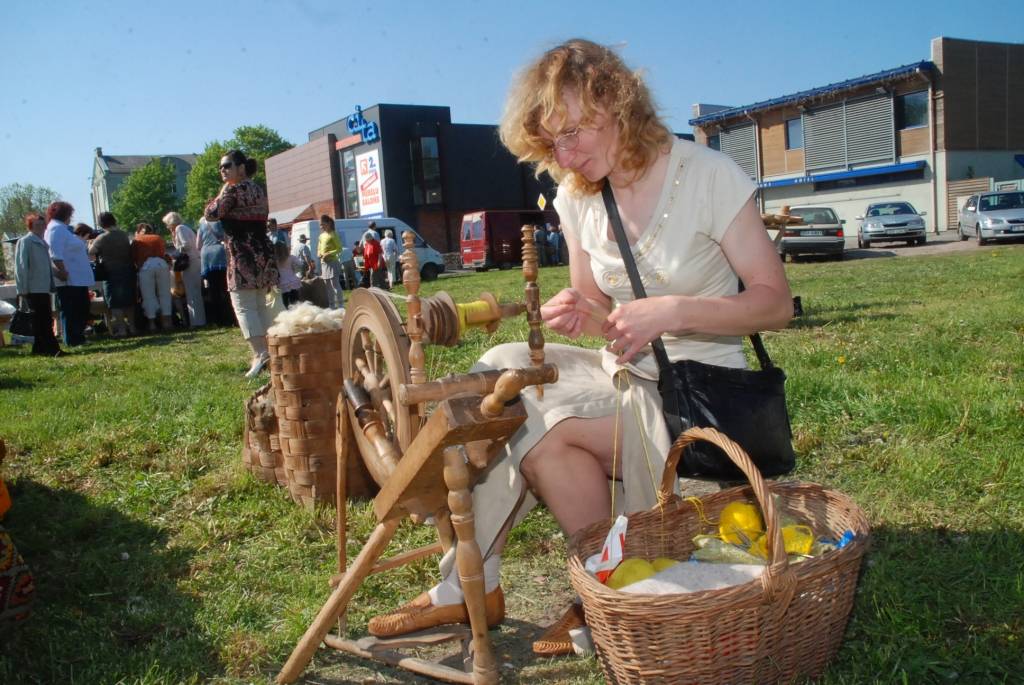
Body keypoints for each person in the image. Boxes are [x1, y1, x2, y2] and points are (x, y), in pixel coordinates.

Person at [367, 39, 794, 654]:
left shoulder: (706, 176)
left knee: (542, 428)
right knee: (501, 369)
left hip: (696, 391)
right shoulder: (576, 192)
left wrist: (673, 310)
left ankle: (597, 586)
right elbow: (598, 311)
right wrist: (586, 313)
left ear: (616, 103)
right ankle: (519, 582)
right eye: (551, 142)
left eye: (574, 133)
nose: (564, 155)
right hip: (619, 368)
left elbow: (774, 303)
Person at [205, 149, 281, 378]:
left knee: (244, 305)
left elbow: (211, 213)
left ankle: (260, 353)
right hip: (263, 254)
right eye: (221, 167)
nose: (222, 170)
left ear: (241, 167)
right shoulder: (258, 189)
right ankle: (271, 352)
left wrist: (222, 191)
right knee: (260, 303)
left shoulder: (232, 191)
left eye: (227, 165)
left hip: (242, 255)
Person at [43, 201, 93, 347]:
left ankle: (78, 336)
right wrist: (63, 272)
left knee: (81, 307)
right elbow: (55, 253)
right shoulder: (55, 229)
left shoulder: (62, 229)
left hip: (77, 278)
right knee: (72, 309)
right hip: (69, 279)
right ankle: (72, 339)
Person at [13, 213, 63, 356]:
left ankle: (40, 349)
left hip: (43, 287)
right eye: (37, 225)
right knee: (41, 320)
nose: (41, 227)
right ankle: (52, 349)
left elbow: (46, 265)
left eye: (42, 224)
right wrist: (22, 289)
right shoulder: (26, 241)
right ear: (31, 226)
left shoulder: (42, 242)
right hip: (33, 288)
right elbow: (21, 267)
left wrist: (58, 273)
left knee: (44, 319)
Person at [89, 212, 136, 337]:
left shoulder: (102, 238)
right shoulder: (124, 235)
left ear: (101, 223)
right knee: (129, 300)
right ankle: (132, 327)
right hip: (127, 270)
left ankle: (122, 329)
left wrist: (90, 243)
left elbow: (91, 251)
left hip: (111, 272)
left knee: (115, 302)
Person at [163, 212, 206, 327]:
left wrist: (174, 253)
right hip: (195, 260)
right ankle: (199, 320)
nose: (167, 227)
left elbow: (186, 245)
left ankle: (196, 321)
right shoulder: (185, 228)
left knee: (191, 292)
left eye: (167, 224)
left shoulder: (179, 229)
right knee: (195, 292)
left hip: (190, 262)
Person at [131, 223, 174, 332]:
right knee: (165, 294)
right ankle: (167, 322)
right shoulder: (158, 238)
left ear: (139, 231)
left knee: (148, 296)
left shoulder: (137, 240)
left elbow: (133, 257)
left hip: (146, 267)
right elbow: (163, 253)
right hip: (161, 264)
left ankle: (152, 324)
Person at [196, 217, 232, 327]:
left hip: (207, 257)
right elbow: (227, 238)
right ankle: (229, 318)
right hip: (220, 255)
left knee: (213, 290)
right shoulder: (222, 223)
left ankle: (217, 320)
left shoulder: (201, 225)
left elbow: (198, 245)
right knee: (225, 288)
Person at [316, 215, 345, 308]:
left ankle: (341, 305)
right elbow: (319, 248)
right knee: (327, 285)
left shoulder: (333, 234)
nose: (321, 227)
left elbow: (339, 249)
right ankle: (332, 305)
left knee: (334, 284)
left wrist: (328, 253)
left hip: (332, 262)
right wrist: (319, 253)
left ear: (328, 223)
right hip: (324, 263)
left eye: (323, 224)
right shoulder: (321, 236)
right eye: (320, 225)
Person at [275, 242, 302, 307]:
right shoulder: (291, 257)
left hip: (282, 282)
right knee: (296, 302)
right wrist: (294, 268)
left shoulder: (274, 260)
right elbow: (300, 264)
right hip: (293, 281)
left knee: (285, 303)